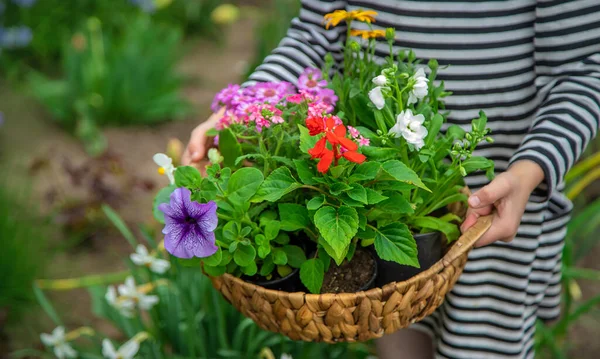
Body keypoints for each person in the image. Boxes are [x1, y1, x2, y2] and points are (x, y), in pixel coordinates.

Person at [183, 1, 600, 358]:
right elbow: (314, 36)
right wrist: (243, 109)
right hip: (383, 192)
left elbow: (582, 70)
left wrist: (532, 168)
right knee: (394, 321)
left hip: (497, 199)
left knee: (479, 341)